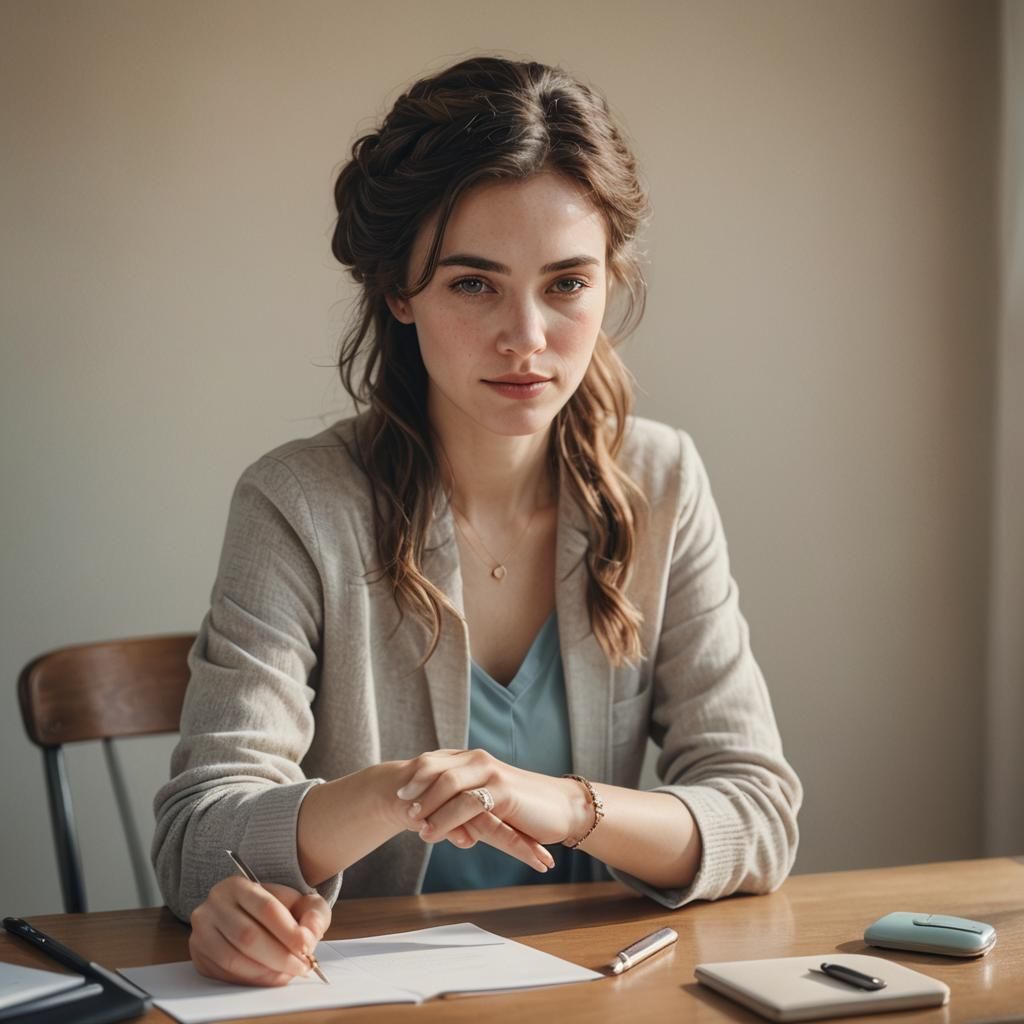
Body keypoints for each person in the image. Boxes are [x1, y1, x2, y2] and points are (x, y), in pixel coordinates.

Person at [152, 54, 802, 988]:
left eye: (568, 284)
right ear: (399, 292)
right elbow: (196, 842)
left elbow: (759, 814)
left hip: (600, 991)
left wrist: (563, 804)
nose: (527, 337)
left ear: (609, 282)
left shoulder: (661, 479)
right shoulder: (297, 504)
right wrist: (392, 793)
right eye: (473, 284)